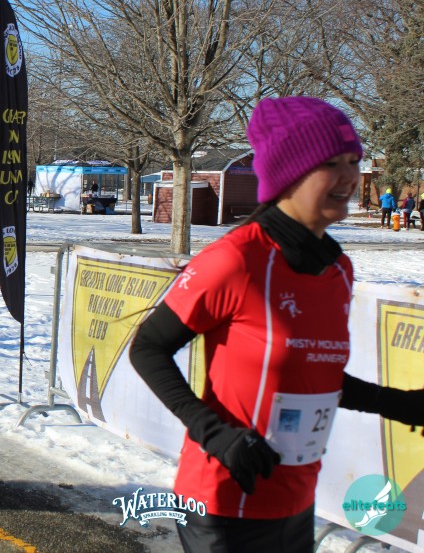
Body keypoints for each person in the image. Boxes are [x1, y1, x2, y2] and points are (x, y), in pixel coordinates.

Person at [128, 97, 423, 553]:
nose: (349, 176)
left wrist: (397, 404)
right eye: (331, 163)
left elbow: (313, 377)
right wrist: (215, 434)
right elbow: (147, 348)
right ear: (290, 174)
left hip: (295, 499)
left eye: (354, 161)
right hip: (224, 501)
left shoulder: (338, 269)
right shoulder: (237, 260)